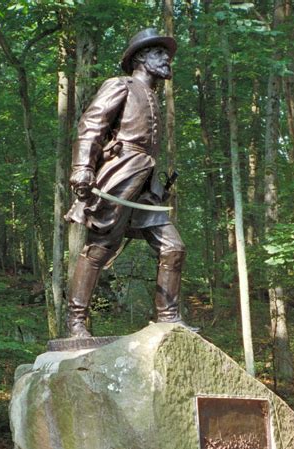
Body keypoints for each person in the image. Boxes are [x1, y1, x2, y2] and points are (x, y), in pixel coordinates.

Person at [65, 28, 194, 338]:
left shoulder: (153, 96)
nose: (166, 59)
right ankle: (76, 322)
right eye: (159, 53)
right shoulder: (120, 85)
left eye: (167, 54)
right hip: (119, 177)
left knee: (173, 248)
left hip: (147, 187)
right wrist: (83, 167)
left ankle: (168, 318)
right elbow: (91, 126)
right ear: (140, 57)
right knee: (100, 247)